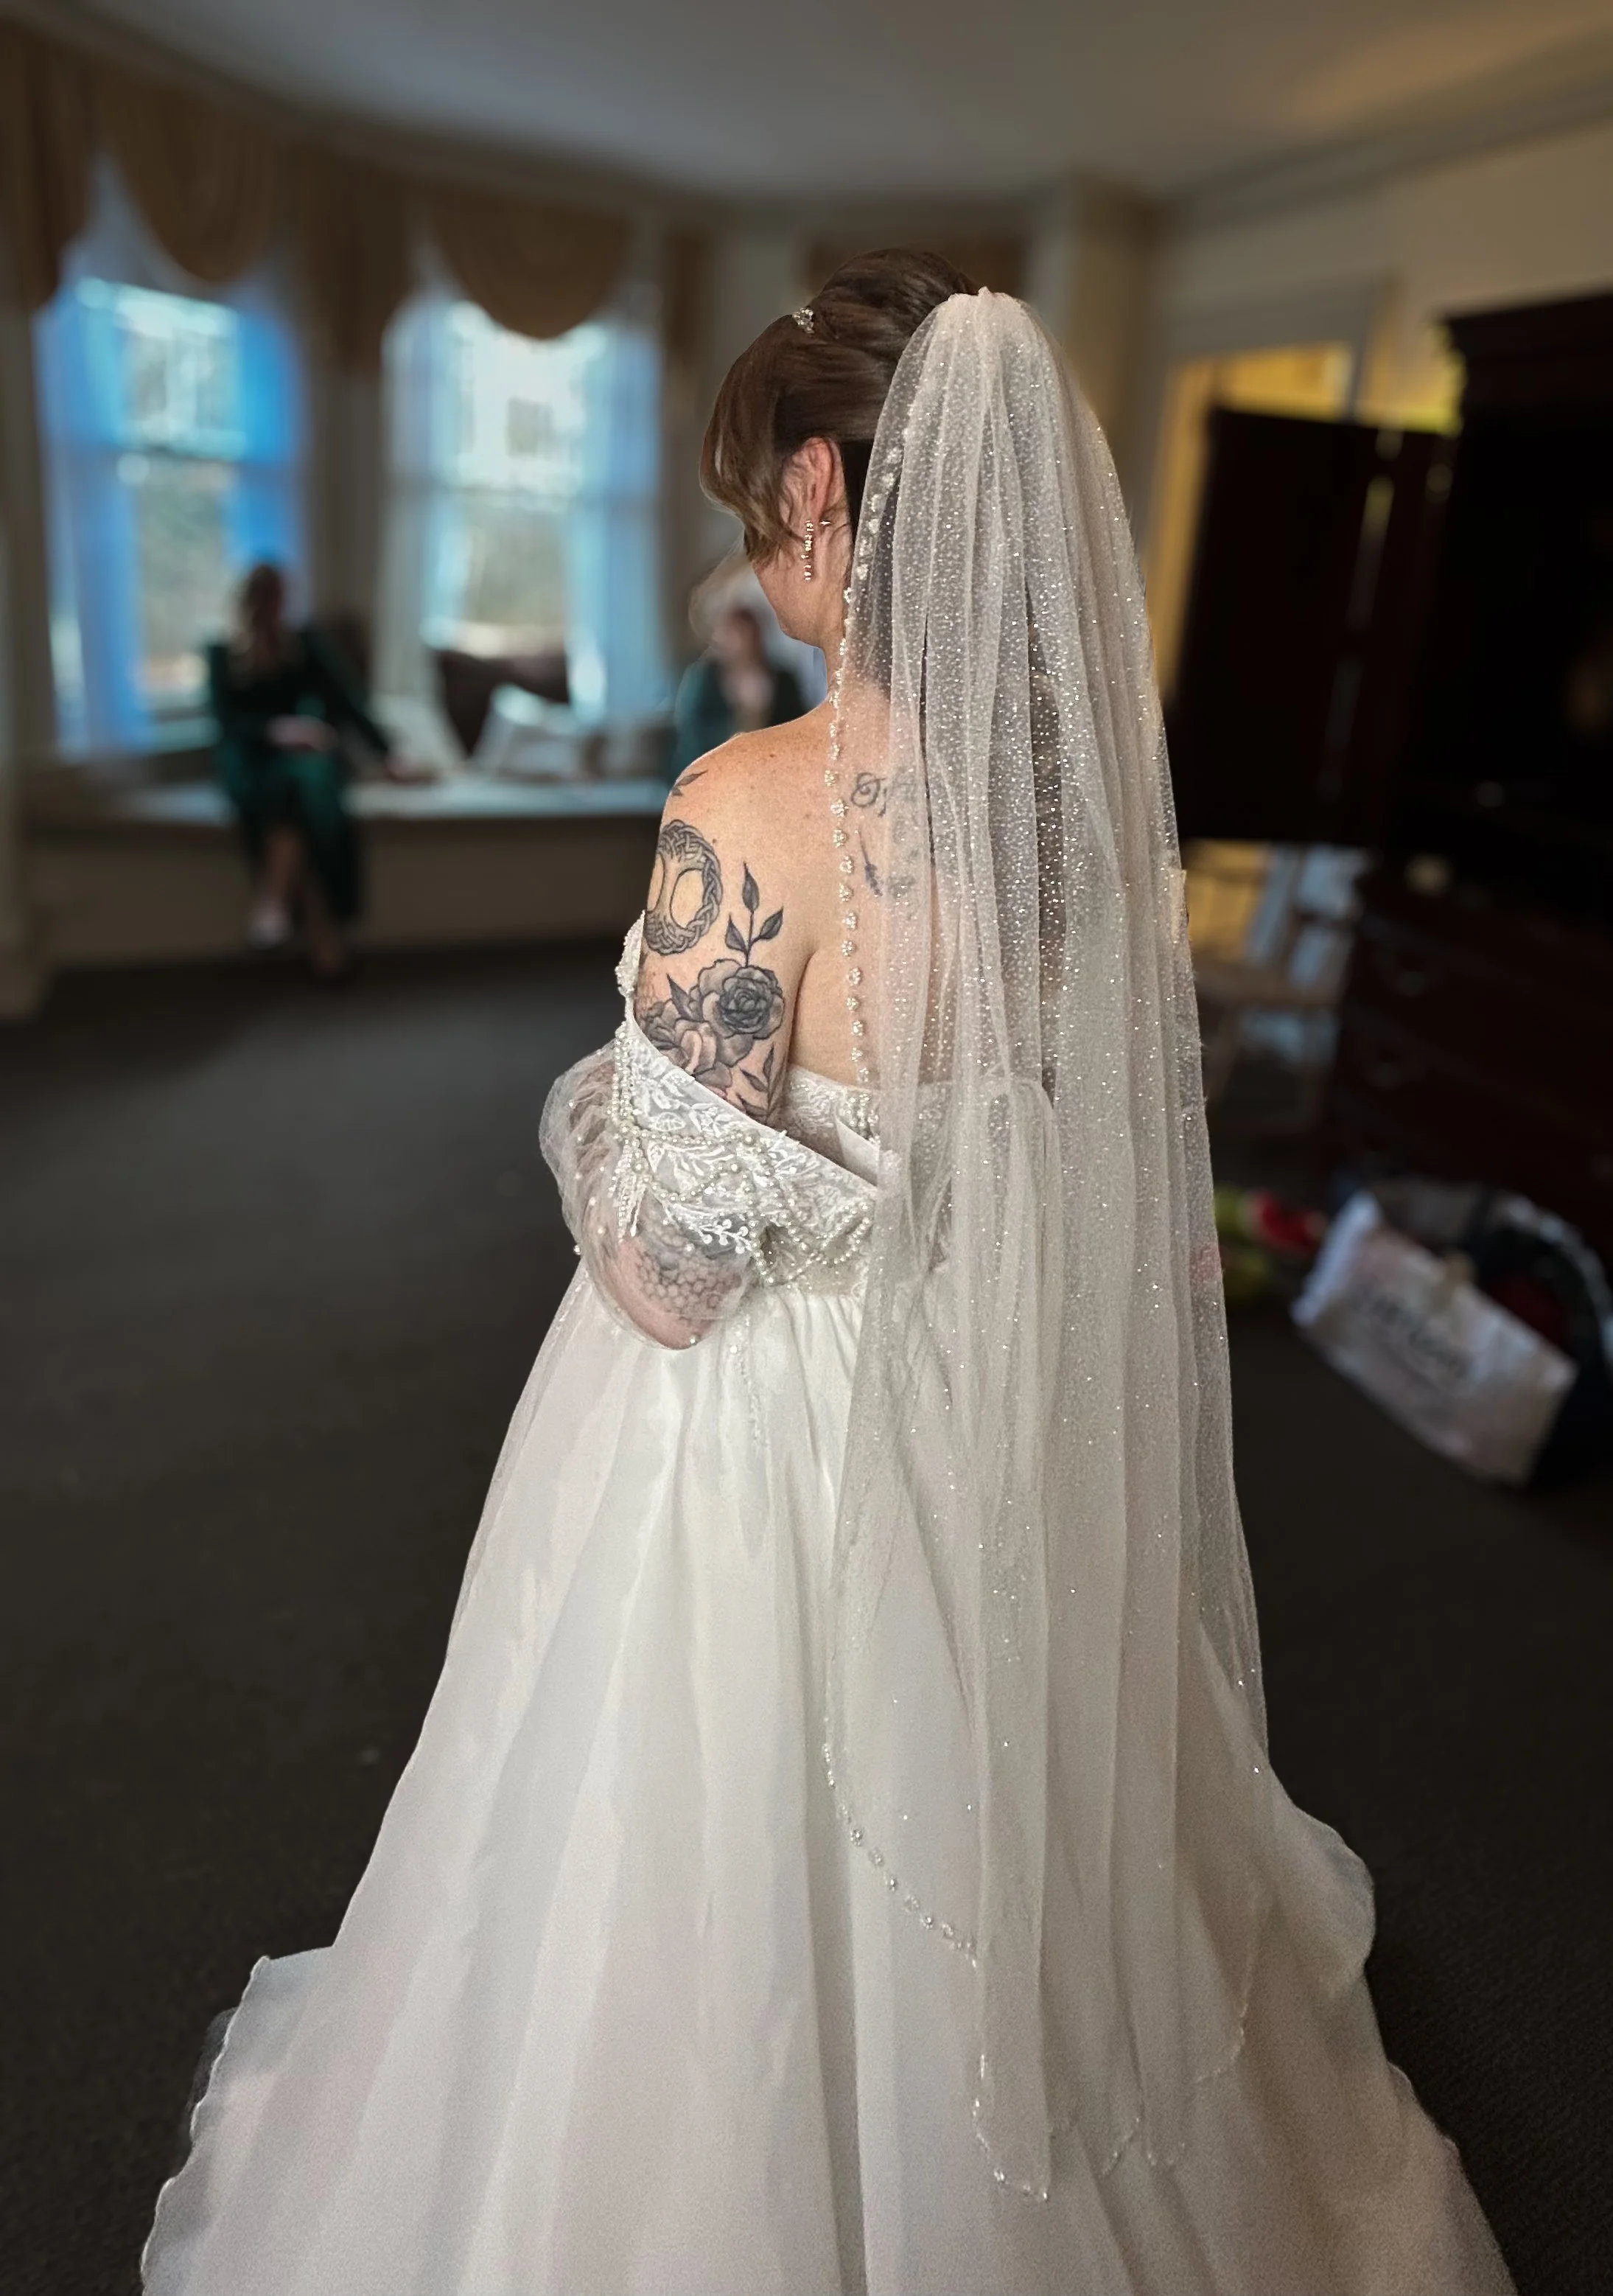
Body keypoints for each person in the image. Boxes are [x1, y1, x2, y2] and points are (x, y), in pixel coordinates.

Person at [143, 256, 1518, 2295]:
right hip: (977, 1394)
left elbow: (678, 1272)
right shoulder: (1072, 830)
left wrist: (590, 1123)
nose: (748, 551)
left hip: (757, 1440)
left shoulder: (746, 804)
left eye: (747, 509)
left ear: (813, 488)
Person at [208, 565, 396, 980]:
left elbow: (348, 703)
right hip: (252, 760)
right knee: (296, 795)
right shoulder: (223, 654)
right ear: (249, 602)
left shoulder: (305, 645)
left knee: (302, 788)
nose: (275, 606)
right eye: (266, 598)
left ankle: (273, 902)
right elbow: (225, 721)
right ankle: (324, 934)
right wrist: (275, 730)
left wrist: (388, 756)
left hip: (302, 762)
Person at [670, 596, 805, 779]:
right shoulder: (704, 678)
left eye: (749, 636)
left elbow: (798, 728)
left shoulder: (783, 679)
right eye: (736, 635)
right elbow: (692, 732)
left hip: (768, 772)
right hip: (710, 773)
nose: (743, 644)